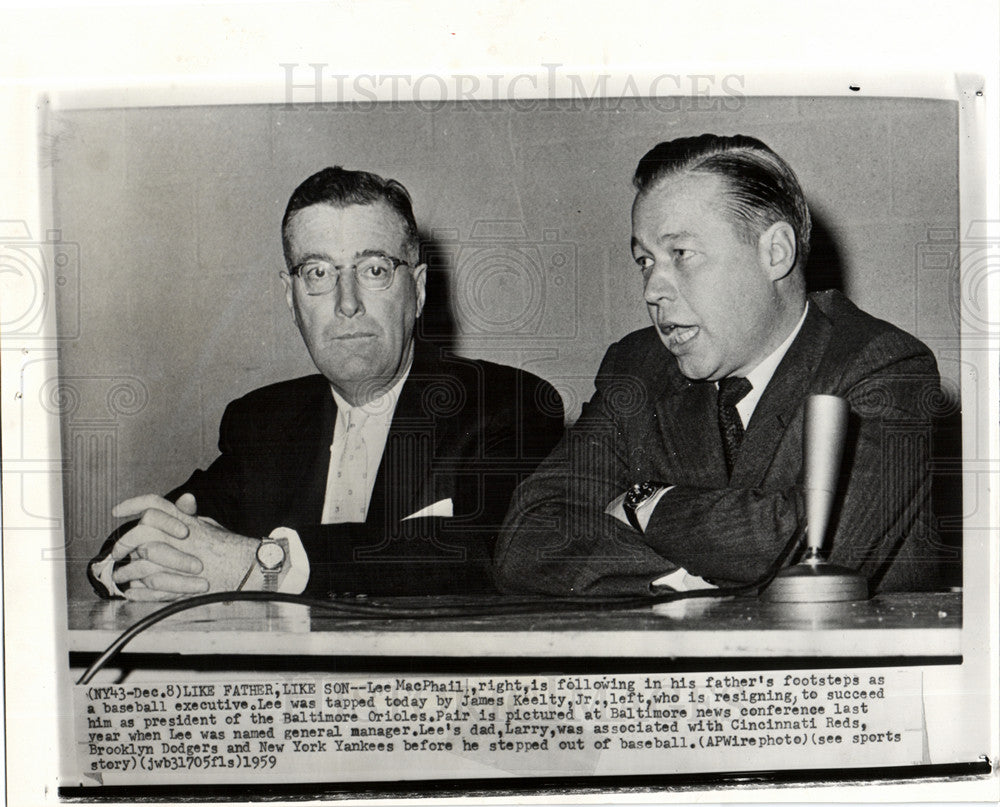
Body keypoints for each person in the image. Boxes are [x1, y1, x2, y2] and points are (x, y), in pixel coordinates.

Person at [494, 134, 943, 596]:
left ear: (776, 252)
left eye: (681, 255)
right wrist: (679, 580)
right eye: (644, 261)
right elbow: (528, 536)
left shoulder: (883, 367)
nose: (652, 290)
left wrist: (648, 503)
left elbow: (817, 555)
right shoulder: (638, 368)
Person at [89, 167, 564, 600]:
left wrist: (261, 565)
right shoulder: (262, 421)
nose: (347, 303)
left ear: (417, 290)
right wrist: (156, 555)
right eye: (318, 273)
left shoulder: (508, 403)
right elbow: (138, 543)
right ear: (291, 298)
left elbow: (482, 553)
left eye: (374, 269)